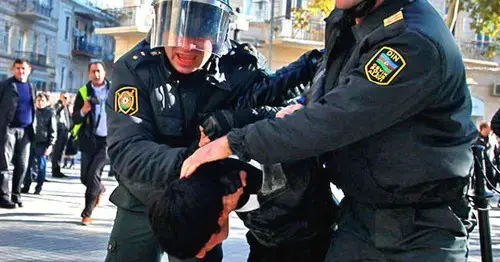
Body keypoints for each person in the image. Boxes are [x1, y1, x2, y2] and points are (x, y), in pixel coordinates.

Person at [181, 0, 479, 260]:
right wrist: (298, 107)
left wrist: (232, 142)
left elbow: (334, 120)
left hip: (419, 228)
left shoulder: (411, 40)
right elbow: (327, 89)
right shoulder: (351, 21)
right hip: (360, 216)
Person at [104, 0, 322, 260]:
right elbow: (127, 150)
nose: (186, 45)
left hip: (202, 206)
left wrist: (233, 119)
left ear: (218, 28)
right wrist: (200, 162)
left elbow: (278, 109)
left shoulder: (238, 65)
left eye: (199, 29)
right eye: (177, 29)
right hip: (144, 195)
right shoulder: (134, 68)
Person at [147, 106, 334, 261]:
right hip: (265, 244)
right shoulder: (203, 170)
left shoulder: (284, 185)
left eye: (203, 245)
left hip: (316, 245)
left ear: (218, 217)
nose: (202, 253)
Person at [72, 61, 110, 225]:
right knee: (85, 178)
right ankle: (99, 189)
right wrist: (83, 110)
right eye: (93, 71)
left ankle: (87, 213)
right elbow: (75, 117)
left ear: (104, 73)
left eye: (99, 71)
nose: (96, 74)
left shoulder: (114, 91)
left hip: (107, 141)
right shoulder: (83, 92)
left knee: (94, 174)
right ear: (89, 74)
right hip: (89, 140)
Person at [0, 59, 37, 208]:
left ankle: (16, 195)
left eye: (23, 69)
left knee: (22, 165)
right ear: (13, 69)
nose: (20, 71)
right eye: (18, 68)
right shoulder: (6, 86)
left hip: (26, 130)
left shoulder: (31, 87)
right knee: (4, 163)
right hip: (8, 130)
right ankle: (3, 196)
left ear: (29, 70)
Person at [22, 93, 57, 194]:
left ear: (46, 102)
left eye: (42, 101)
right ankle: (26, 185)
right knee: (27, 165)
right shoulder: (32, 111)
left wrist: (50, 144)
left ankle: (39, 187)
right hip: (30, 141)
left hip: (43, 143)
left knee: (41, 166)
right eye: (38, 100)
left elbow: (53, 130)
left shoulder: (50, 113)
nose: (40, 103)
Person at [52, 92, 71, 178]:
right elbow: (55, 113)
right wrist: (63, 105)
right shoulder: (58, 105)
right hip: (59, 129)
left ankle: (58, 169)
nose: (65, 99)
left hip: (65, 130)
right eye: (64, 97)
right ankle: (55, 170)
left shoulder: (67, 107)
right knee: (57, 151)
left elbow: (68, 118)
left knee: (61, 151)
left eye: (67, 98)